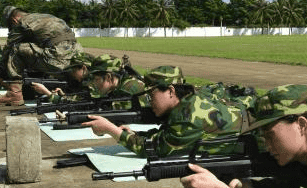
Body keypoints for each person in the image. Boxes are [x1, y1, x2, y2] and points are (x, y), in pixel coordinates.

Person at [84, 66, 252, 157]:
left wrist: (111, 130)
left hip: (255, 144)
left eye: (152, 94)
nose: (149, 100)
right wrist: (135, 134)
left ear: (171, 91)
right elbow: (165, 134)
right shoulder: (188, 103)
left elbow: (153, 148)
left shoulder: (189, 115)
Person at [0, 6, 91, 106]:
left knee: (16, 49)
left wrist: (0, 74)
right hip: (75, 57)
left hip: (58, 59)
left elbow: (8, 48)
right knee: (35, 52)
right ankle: (71, 91)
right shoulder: (44, 17)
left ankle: (14, 94)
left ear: (14, 20)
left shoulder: (22, 23)